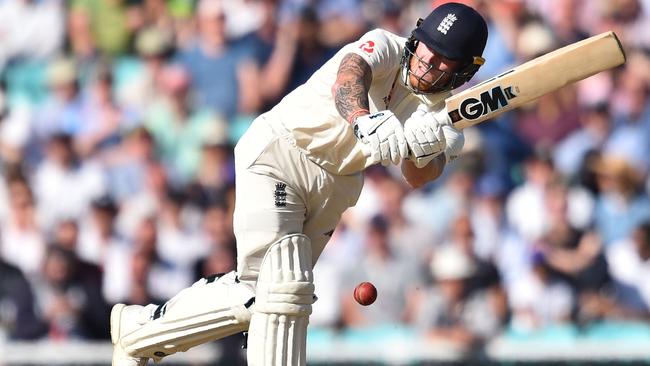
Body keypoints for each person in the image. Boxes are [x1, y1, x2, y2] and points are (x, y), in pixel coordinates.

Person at [110, 2, 488, 365]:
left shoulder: (441, 113)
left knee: (278, 298)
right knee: (279, 288)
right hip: (282, 153)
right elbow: (351, 73)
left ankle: (140, 332)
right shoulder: (384, 45)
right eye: (427, 49)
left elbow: (416, 176)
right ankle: (140, 332)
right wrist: (362, 117)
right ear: (416, 37)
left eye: (443, 60)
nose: (428, 62)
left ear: (463, 71)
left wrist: (427, 153)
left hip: (335, 186)